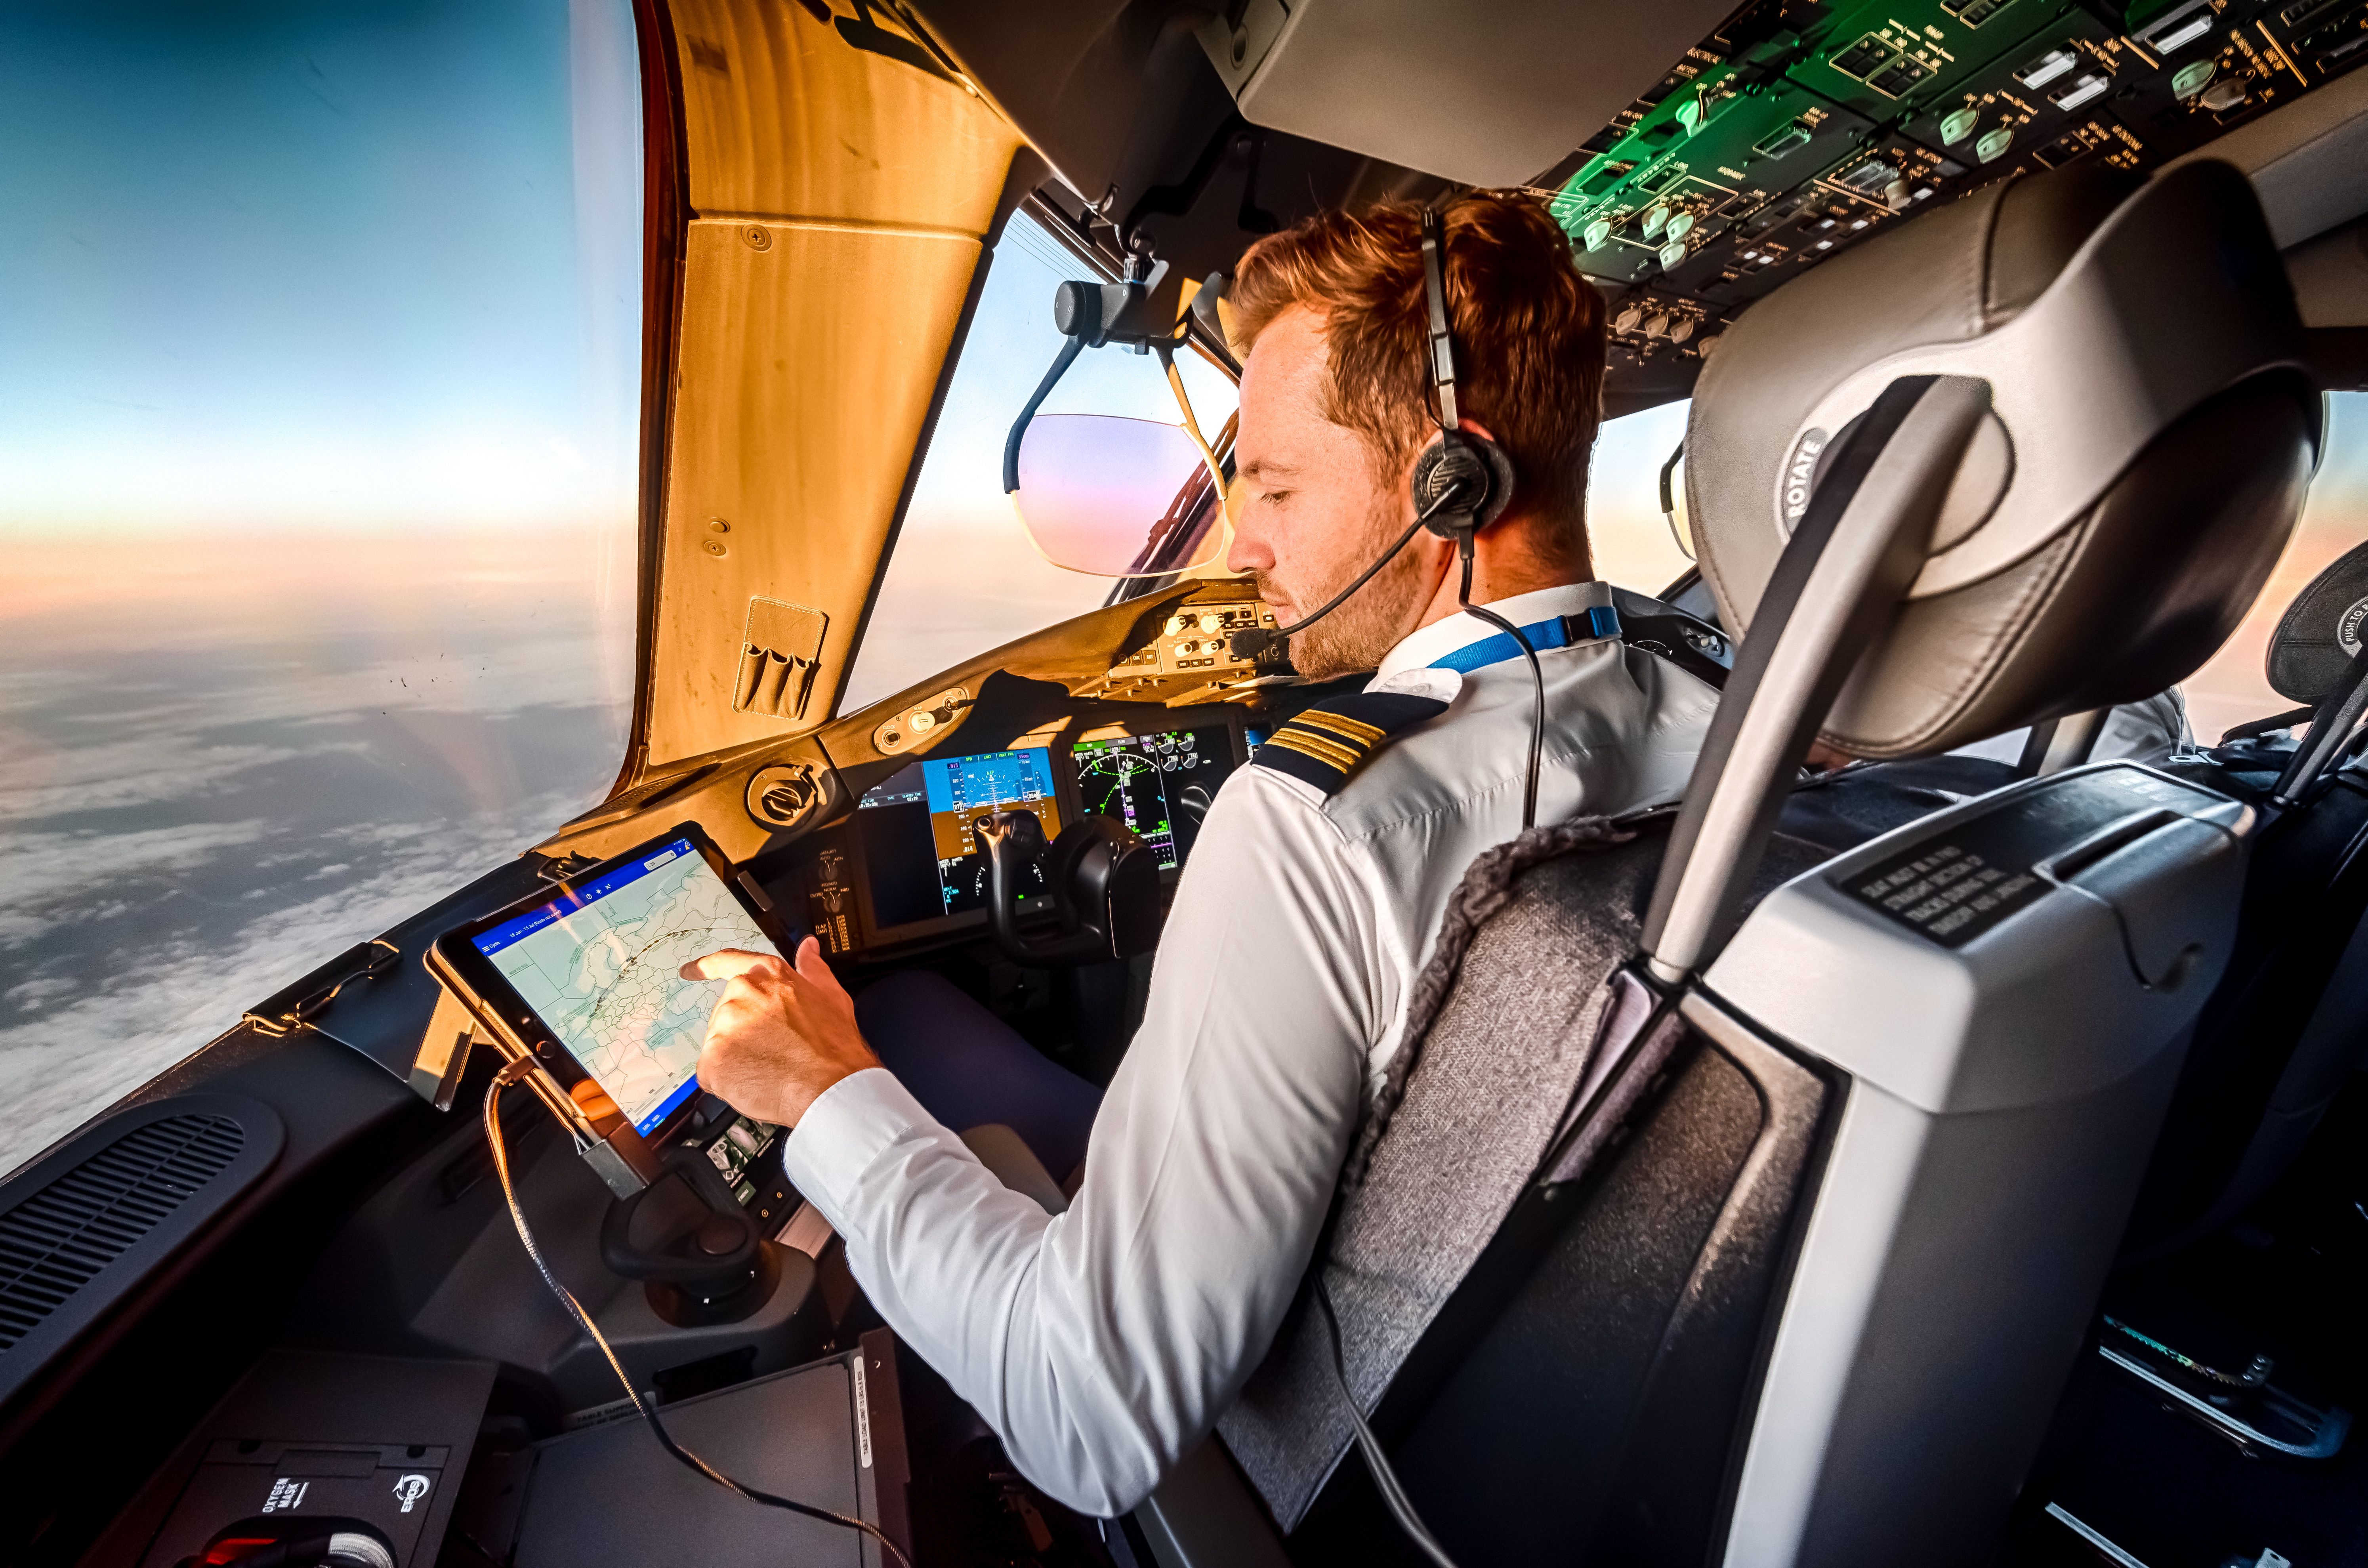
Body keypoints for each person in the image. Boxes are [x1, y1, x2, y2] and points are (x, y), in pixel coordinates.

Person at [679, 191, 1722, 1516]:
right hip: (1575, 1355)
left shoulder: (1317, 822)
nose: (1244, 543)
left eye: (1276, 485)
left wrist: (822, 1095)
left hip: (1332, 1439)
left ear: (1448, 483)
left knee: (897, 1025)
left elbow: (1087, 1412)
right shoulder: (1717, 707)